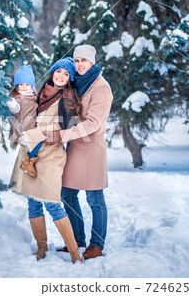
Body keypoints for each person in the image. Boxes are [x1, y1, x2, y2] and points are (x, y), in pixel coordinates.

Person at [9, 58, 83, 264]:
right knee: (33, 203)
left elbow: (63, 131)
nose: (60, 76)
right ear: (52, 72)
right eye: (58, 71)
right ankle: (41, 247)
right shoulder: (39, 93)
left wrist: (33, 136)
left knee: (52, 203)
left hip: (51, 155)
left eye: (66, 74)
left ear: (69, 79)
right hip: (31, 154)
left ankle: (75, 252)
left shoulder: (67, 98)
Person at [45, 45, 113, 260]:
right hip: (74, 148)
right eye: (77, 60)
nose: (80, 64)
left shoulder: (101, 87)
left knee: (94, 198)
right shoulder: (77, 84)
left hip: (91, 148)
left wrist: (62, 135)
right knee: (67, 194)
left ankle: (96, 245)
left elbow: (93, 122)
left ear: (93, 62)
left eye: (84, 60)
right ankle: (77, 240)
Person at [6, 65, 41, 177]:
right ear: (17, 86)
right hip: (23, 130)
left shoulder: (34, 97)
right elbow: (15, 110)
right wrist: (12, 105)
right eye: (21, 84)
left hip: (33, 127)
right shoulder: (16, 98)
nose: (24, 87)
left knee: (38, 144)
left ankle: (29, 162)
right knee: (30, 147)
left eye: (27, 84)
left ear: (31, 85)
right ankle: (28, 163)